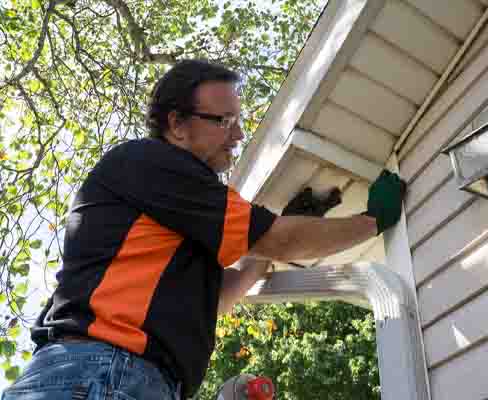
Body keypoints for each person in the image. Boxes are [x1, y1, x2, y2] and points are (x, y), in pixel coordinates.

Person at [1, 59, 406, 400]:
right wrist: (372, 221)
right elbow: (279, 240)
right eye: (225, 121)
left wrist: (265, 250)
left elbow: (214, 301)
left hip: (112, 376)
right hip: (101, 373)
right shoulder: (151, 164)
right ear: (177, 124)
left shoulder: (175, 225)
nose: (238, 135)